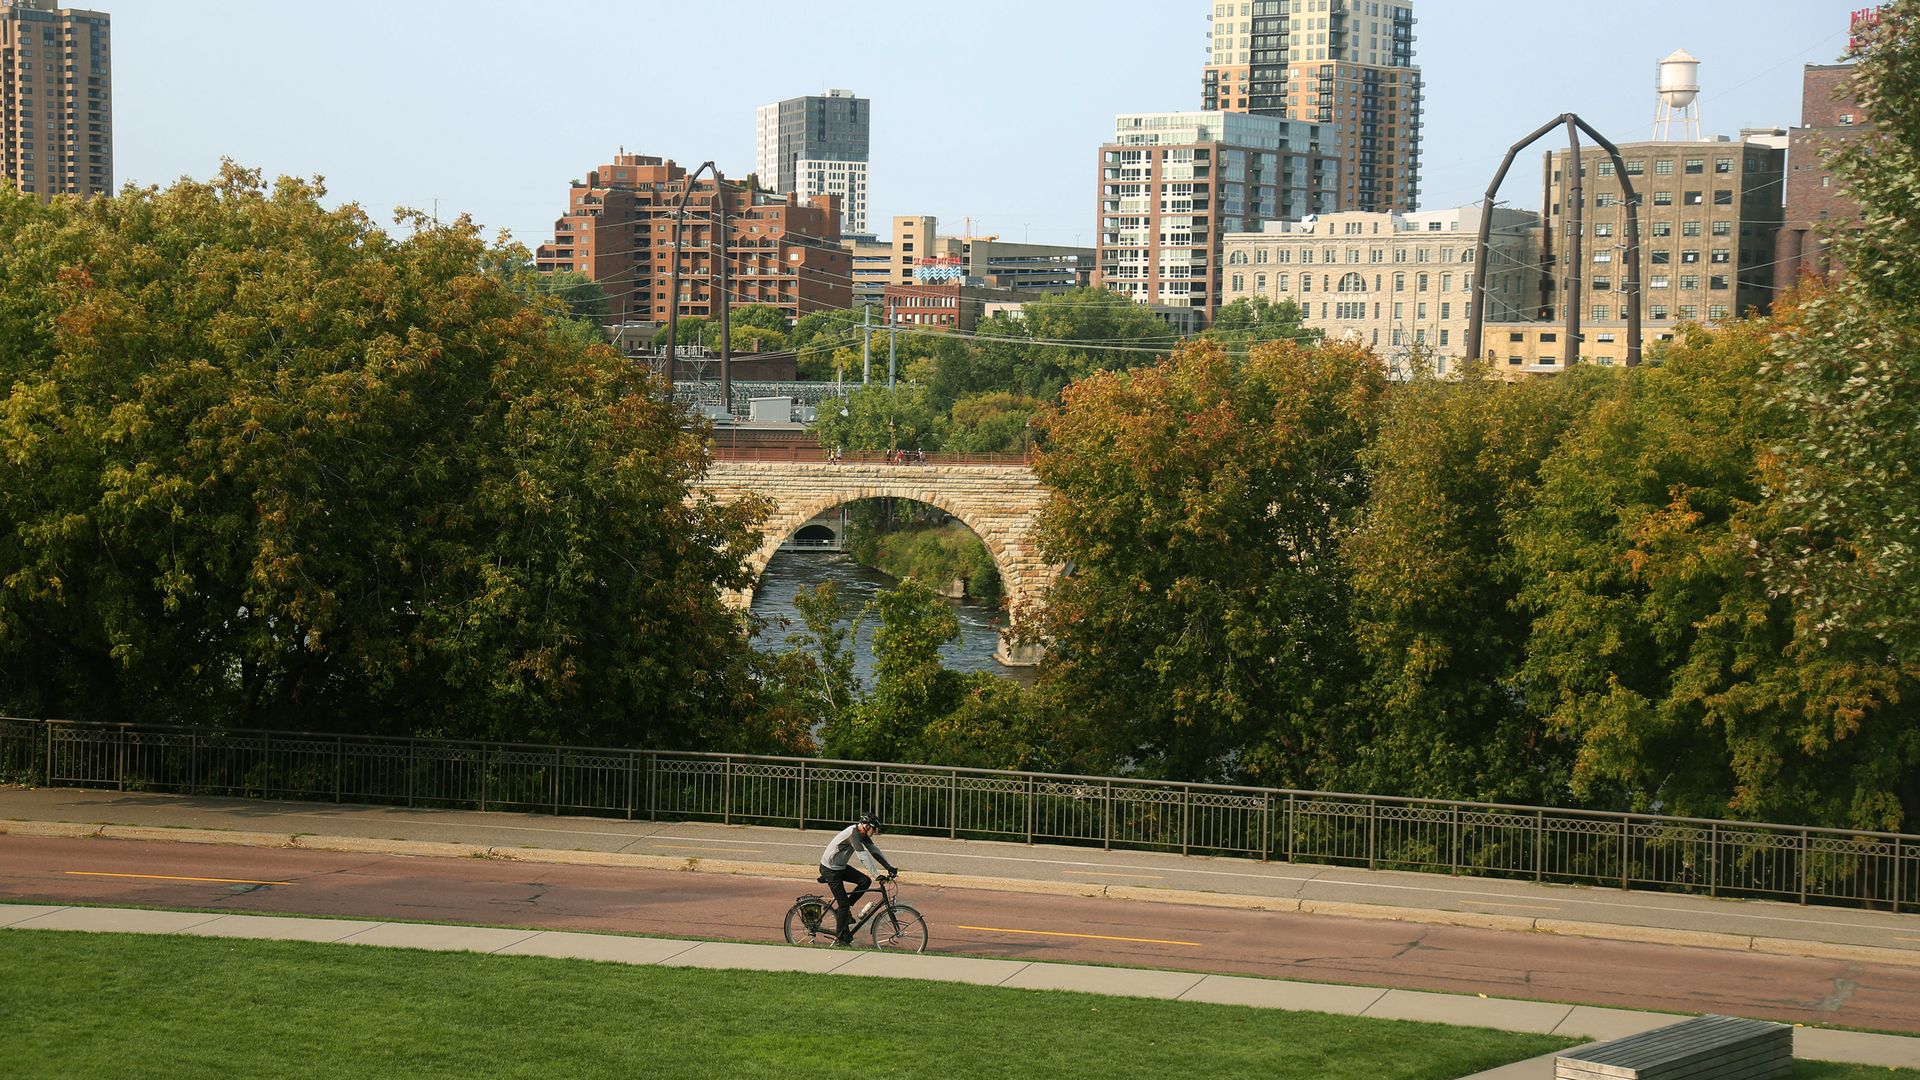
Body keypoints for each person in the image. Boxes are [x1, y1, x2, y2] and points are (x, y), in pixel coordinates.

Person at [817, 812, 897, 945]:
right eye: (874, 828)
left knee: (865, 881)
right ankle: (840, 938)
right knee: (843, 903)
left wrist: (889, 866)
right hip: (830, 869)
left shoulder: (862, 833)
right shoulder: (853, 834)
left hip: (840, 867)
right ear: (866, 826)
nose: (876, 831)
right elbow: (862, 856)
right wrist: (877, 875)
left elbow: (874, 851)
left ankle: (844, 911)